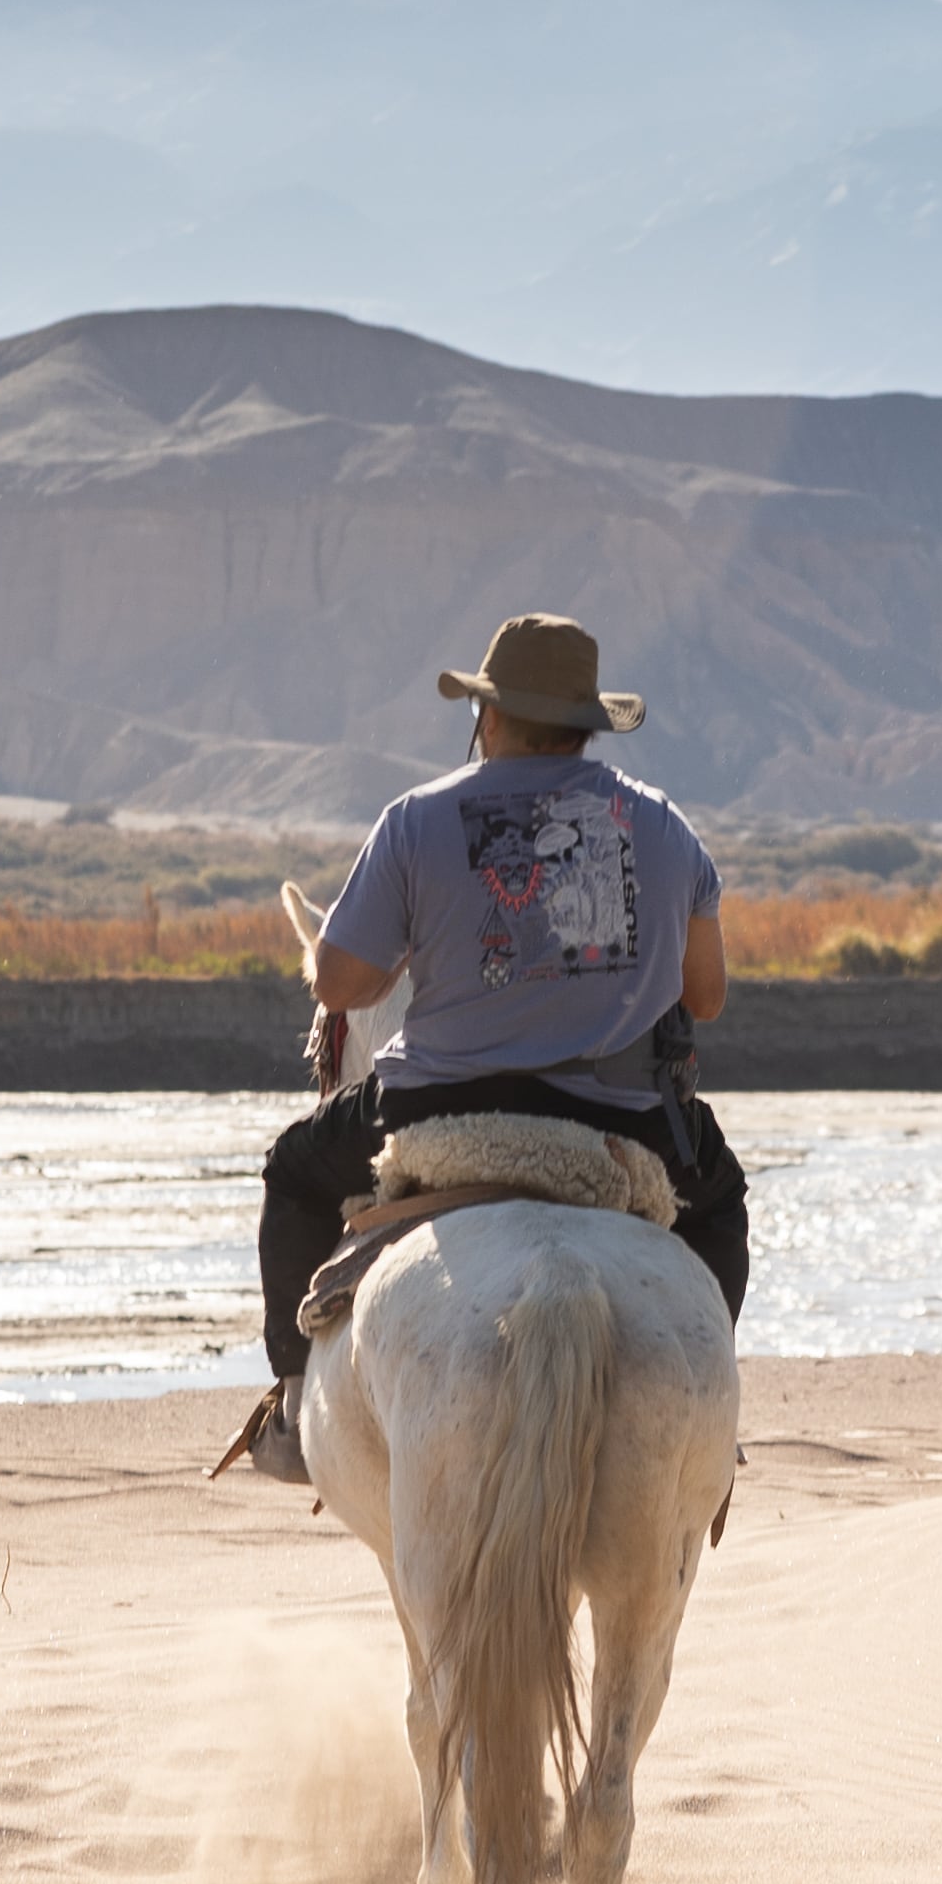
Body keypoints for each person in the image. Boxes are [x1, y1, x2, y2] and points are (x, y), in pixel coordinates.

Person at [244, 613, 749, 1484]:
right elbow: (703, 996)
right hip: (621, 1119)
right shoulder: (665, 829)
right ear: (586, 723)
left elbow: (338, 985)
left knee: (293, 1171)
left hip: (437, 1109)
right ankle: (703, 1427)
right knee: (719, 1202)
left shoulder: (415, 821)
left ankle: (292, 1404)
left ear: (490, 716)